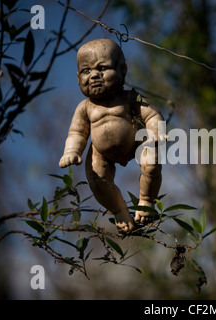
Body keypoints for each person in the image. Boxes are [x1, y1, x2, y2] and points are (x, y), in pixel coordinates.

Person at [59, 39, 164, 233]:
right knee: (98, 181)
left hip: (136, 141)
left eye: (103, 68)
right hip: (101, 152)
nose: (94, 76)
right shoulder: (85, 107)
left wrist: (155, 130)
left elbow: (151, 114)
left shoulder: (129, 97)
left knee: (152, 162)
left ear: (122, 69)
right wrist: (72, 151)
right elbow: (76, 132)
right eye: (86, 71)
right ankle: (119, 211)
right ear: (77, 77)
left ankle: (147, 201)